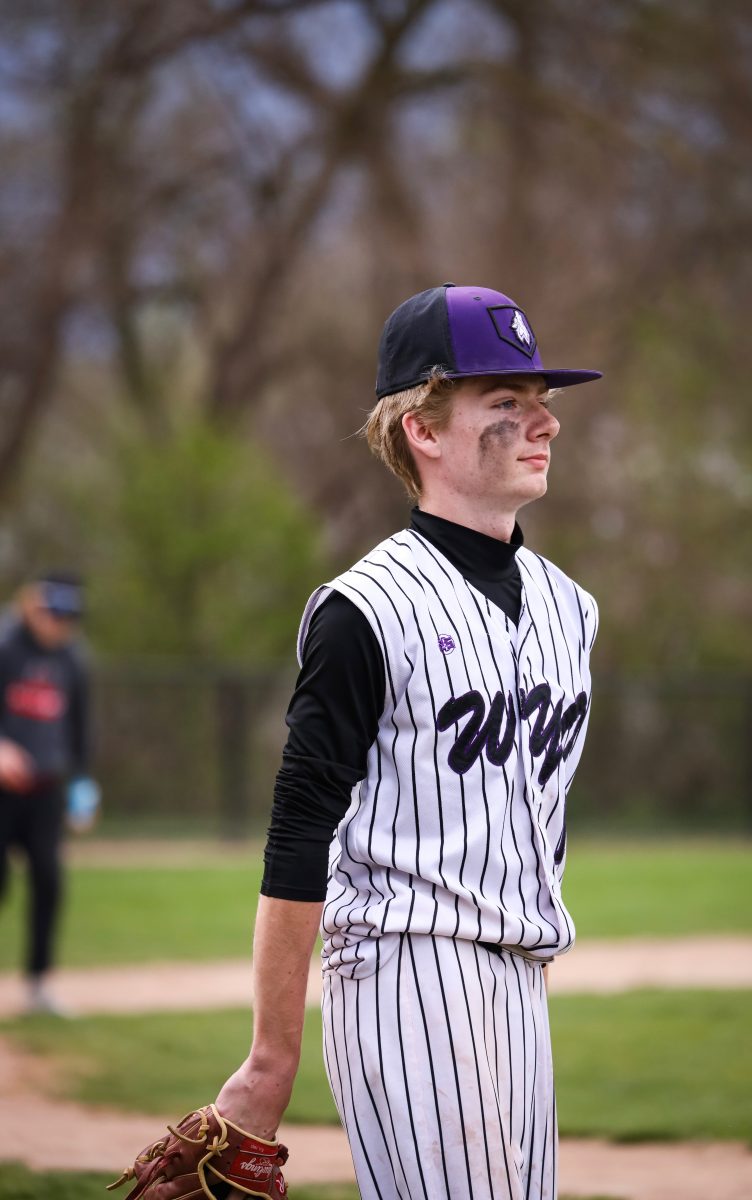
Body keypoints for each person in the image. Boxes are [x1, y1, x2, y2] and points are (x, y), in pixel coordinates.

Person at [216, 284, 602, 1198]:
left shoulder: (570, 607)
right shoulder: (366, 609)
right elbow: (300, 825)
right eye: (505, 403)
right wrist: (272, 1060)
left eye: (542, 400)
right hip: (403, 968)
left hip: (522, 974)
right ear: (423, 431)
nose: (542, 422)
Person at [0, 571, 93, 1015]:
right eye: (54, 613)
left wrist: (82, 787)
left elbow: (79, 730)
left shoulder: (73, 661)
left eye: (68, 617)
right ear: (31, 604)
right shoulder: (4, 646)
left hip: (45, 793)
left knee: (48, 882)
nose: (60, 624)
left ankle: (37, 984)